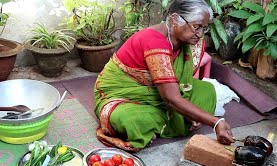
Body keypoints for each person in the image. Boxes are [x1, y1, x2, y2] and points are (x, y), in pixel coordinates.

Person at [94, 0, 235, 152]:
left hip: (160, 92)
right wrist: (215, 122)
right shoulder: (154, 42)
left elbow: (181, 82)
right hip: (124, 94)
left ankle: (170, 119)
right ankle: (174, 117)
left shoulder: (183, 41)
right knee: (130, 119)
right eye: (196, 27)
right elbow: (171, 98)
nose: (200, 34)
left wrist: (186, 107)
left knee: (206, 91)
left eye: (204, 28)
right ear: (175, 19)